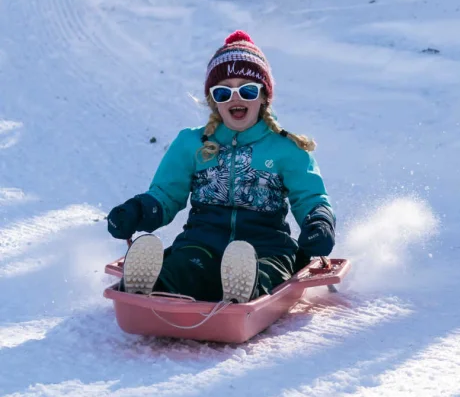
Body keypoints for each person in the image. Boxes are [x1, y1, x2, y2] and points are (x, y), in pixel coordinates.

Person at [106, 30, 335, 303]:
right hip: (201, 242)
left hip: (266, 247)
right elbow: (166, 194)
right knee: (185, 265)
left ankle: (248, 289)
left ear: (263, 97)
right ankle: (154, 285)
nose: (235, 98)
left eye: (247, 89)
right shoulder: (191, 143)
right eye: (224, 91)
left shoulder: (288, 148)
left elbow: (310, 196)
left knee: (268, 270)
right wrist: (139, 210)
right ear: (214, 101)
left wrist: (318, 222)